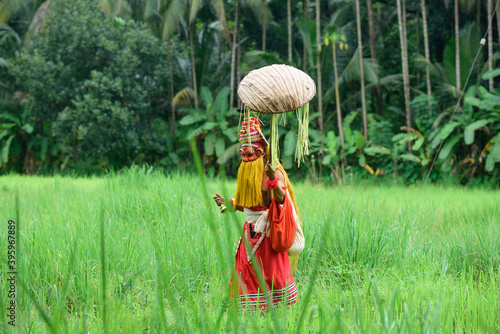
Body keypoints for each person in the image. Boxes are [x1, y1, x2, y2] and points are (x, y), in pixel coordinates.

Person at [213, 116, 301, 312]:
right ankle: (248, 312)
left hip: (269, 233)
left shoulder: (274, 172)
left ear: (261, 151)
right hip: (249, 233)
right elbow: (247, 204)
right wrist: (228, 205)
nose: (246, 157)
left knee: (272, 274)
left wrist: (272, 180)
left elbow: (281, 201)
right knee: (245, 271)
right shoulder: (246, 172)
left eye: (250, 153)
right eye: (243, 153)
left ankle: (275, 311)